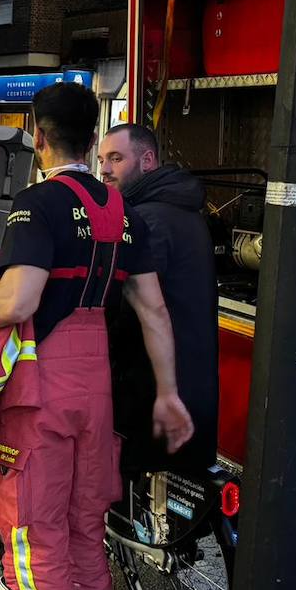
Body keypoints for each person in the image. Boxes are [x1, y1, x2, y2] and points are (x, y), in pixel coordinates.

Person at [0, 83, 193, 590]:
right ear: (90, 139)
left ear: (39, 137)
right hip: (96, 384)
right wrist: (170, 394)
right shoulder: (123, 211)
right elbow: (155, 311)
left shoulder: (38, 203)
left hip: (43, 388)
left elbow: (17, 301)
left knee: (36, 535)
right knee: (86, 525)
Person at [99, 123, 219, 474]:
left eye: (116, 159)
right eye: (103, 159)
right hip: (189, 386)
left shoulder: (146, 220)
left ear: (147, 160)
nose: (105, 170)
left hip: (152, 394)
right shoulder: (179, 210)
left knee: (137, 497)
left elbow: (125, 311)